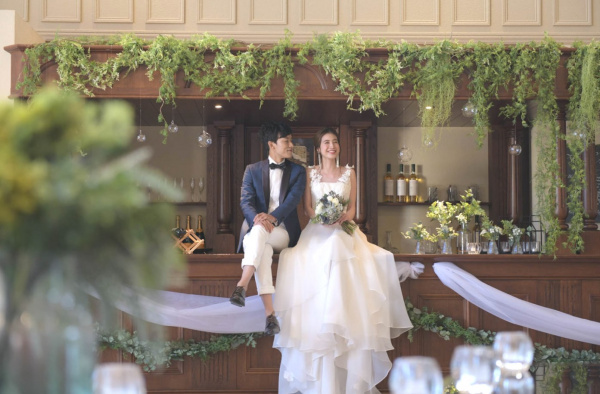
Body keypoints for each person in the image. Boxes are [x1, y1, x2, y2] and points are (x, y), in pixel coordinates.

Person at [273, 128, 413, 394]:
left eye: (335, 142)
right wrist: (323, 218)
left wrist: (342, 218)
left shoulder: (350, 173)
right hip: (317, 230)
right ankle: (322, 333)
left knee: (357, 250)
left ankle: (345, 330)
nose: (332, 146)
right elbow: (308, 209)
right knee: (313, 255)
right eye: (326, 142)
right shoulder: (309, 172)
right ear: (318, 148)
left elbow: (352, 208)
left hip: (345, 229)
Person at [230, 121, 306, 336]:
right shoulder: (252, 170)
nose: (291, 144)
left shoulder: (298, 171)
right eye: (286, 141)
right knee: (262, 249)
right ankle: (270, 316)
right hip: (258, 231)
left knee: (259, 234)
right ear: (272, 144)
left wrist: (271, 218)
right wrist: (258, 219)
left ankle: (242, 284)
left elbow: (292, 201)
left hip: (283, 231)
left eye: (291, 140)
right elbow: (245, 202)